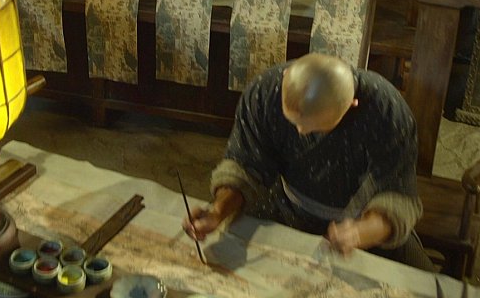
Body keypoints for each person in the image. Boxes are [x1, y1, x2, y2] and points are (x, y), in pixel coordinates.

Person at [182, 53, 434, 270]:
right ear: (285, 77)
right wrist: (218, 211)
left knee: (426, 290)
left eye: (315, 127)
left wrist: (360, 233)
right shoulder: (265, 91)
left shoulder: (386, 111)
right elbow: (245, 164)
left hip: (361, 217)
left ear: (351, 105)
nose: (301, 131)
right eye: (293, 122)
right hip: (284, 206)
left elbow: (397, 195)